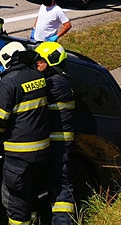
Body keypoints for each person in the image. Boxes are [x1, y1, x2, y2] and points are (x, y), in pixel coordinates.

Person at [0, 48, 49, 225]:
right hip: (41, 152)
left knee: (16, 203)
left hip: (18, 155)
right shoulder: (38, 78)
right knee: (31, 197)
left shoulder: (8, 82)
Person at [35, 42, 76, 225]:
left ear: (51, 61)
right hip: (55, 141)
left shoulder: (55, 83)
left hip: (58, 143)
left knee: (60, 186)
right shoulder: (61, 80)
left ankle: (63, 222)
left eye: (40, 61)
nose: (37, 64)